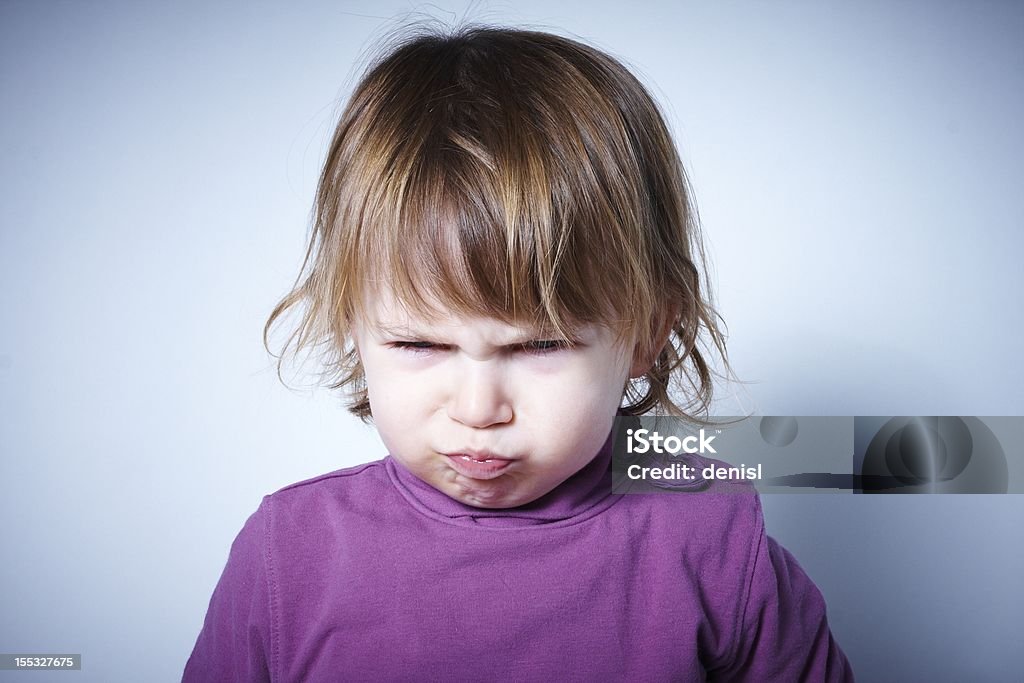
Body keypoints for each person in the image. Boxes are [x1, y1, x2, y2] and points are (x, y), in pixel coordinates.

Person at [184, 24, 854, 682]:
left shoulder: (712, 538)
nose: (478, 409)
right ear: (352, 327)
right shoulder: (289, 553)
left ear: (649, 333)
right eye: (419, 342)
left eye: (539, 345)